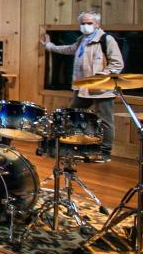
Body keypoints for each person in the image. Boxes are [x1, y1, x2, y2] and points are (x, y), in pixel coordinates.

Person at [42, 10, 123, 160]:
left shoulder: (106, 39)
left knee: (106, 121)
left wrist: (103, 75)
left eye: (89, 23)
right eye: (83, 23)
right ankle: (70, 146)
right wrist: (49, 46)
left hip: (101, 89)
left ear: (97, 24)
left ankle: (105, 152)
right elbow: (69, 49)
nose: (86, 26)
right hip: (82, 88)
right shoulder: (81, 39)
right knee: (71, 115)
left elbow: (117, 63)